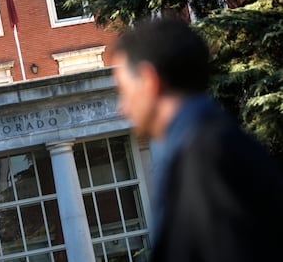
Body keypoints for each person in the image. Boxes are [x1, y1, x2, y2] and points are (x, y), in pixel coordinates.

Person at [111, 18, 283, 262]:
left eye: (123, 90)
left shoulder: (204, 154)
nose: (122, 107)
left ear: (149, 81)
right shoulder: (212, 141)